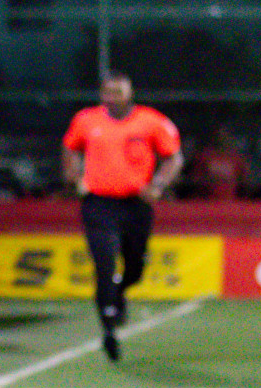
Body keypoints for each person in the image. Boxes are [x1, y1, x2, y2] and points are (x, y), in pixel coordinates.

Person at [62, 72, 183, 362]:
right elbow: (70, 148)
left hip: (136, 204)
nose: (112, 98)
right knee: (104, 264)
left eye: (118, 92)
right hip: (99, 203)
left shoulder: (151, 121)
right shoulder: (86, 120)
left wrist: (158, 185)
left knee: (135, 266)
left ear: (129, 93)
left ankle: (119, 294)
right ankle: (109, 328)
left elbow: (173, 157)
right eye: (108, 92)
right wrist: (73, 175)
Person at [188, 124, 248, 201]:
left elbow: (244, 181)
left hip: (230, 201)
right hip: (207, 201)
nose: (222, 138)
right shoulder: (205, 156)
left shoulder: (236, 157)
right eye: (220, 135)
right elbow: (195, 179)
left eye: (225, 135)